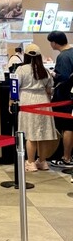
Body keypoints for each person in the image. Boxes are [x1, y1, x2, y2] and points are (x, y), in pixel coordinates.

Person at [13, 44, 59, 171]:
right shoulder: (45, 70)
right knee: (42, 133)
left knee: (30, 134)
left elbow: (14, 87)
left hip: (27, 102)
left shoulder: (21, 70)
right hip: (43, 102)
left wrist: (11, 101)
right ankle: (42, 162)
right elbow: (49, 89)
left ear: (26, 56)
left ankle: (30, 162)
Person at [47, 31, 73, 167]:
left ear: (54, 42)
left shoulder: (63, 57)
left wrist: (52, 74)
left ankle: (66, 157)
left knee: (67, 127)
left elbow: (63, 77)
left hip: (65, 96)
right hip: (70, 95)